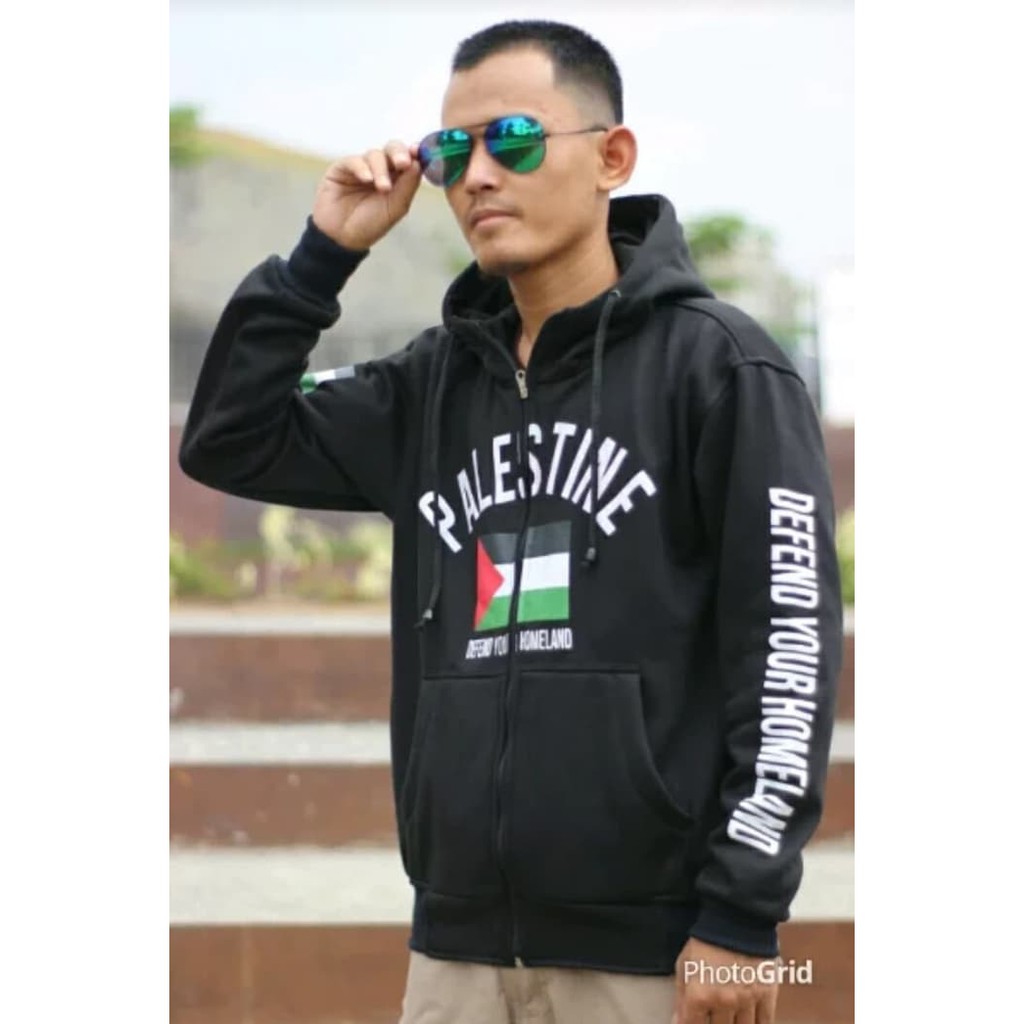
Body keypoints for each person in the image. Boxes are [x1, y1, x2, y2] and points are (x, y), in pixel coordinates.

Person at [179, 19, 842, 1024]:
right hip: (455, 950)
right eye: (452, 151)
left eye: (517, 140)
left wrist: (742, 916)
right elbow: (229, 438)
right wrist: (322, 256)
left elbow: (787, 647)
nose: (478, 175)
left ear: (611, 157)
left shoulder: (719, 369)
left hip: (656, 953)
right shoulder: (427, 388)